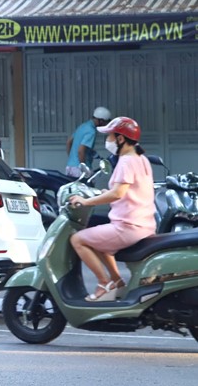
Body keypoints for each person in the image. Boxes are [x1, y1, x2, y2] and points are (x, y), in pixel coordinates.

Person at [67, 117, 156, 302]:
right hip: (143, 224)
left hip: (128, 227)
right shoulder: (141, 158)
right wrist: (107, 192)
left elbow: (118, 193)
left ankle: (104, 284)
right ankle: (117, 282)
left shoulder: (126, 161)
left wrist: (86, 201)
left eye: (109, 136)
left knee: (78, 240)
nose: (107, 140)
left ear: (121, 139)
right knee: (100, 242)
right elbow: (127, 191)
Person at [66, 106, 112, 177]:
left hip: (70, 167)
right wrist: (84, 169)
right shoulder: (91, 131)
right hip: (79, 170)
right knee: (88, 187)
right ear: (101, 120)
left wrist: (72, 159)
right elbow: (81, 151)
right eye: (105, 122)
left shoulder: (83, 126)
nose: (105, 125)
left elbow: (69, 142)